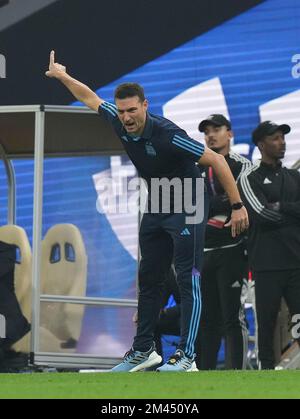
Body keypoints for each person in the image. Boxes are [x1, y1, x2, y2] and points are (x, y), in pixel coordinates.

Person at [46, 51, 249, 372]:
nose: (126, 117)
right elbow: (90, 97)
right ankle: (143, 351)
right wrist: (61, 76)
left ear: (145, 106)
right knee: (149, 278)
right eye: (123, 111)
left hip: (188, 201)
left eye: (132, 110)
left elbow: (217, 160)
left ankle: (187, 357)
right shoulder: (117, 119)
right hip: (157, 201)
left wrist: (237, 205)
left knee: (188, 279)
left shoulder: (168, 134)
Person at [239, 121, 300, 369]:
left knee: (299, 320)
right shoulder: (250, 178)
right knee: (266, 324)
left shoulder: (294, 177)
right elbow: (261, 214)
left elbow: (273, 211)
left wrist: (282, 206)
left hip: (296, 262)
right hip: (265, 265)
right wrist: (293, 213)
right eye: (275, 138)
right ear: (261, 145)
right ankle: (265, 373)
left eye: (282, 138)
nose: (282, 142)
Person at [196, 114, 251, 370]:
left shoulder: (243, 166)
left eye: (216, 129)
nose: (211, 134)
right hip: (204, 252)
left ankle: (236, 373)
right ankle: (206, 374)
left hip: (232, 251)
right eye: (207, 131)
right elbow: (193, 209)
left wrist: (221, 212)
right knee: (207, 319)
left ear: (229, 133)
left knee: (232, 316)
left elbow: (245, 207)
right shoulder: (196, 168)